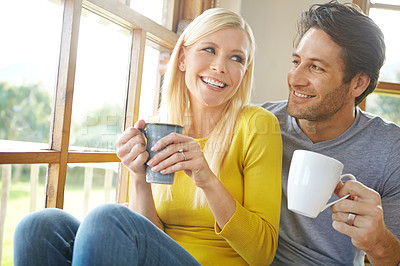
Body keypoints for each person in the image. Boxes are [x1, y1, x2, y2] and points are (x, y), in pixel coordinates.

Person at [14, 8, 283, 265]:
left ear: (244, 72)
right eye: (209, 49)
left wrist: (207, 180)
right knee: (39, 226)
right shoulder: (159, 128)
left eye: (236, 58)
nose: (220, 66)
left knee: (109, 217)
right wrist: (139, 176)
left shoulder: (257, 126)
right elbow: (150, 235)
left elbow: (262, 254)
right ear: (182, 59)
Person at [261, 1, 400, 265]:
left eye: (316, 67)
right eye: (296, 61)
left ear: (358, 83)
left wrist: (378, 242)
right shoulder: (258, 123)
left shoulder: (391, 149)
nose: (295, 78)